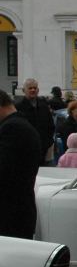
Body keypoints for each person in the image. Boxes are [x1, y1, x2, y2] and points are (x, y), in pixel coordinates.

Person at [0, 90, 41, 238]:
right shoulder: (20, 125)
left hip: (10, 214)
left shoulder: (13, 128)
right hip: (17, 212)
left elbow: (5, 171)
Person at [15, 78, 55, 165]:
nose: (33, 90)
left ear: (38, 90)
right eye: (30, 88)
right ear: (23, 90)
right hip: (25, 151)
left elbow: (50, 126)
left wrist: (47, 142)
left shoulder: (44, 106)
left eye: (35, 88)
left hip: (42, 149)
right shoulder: (18, 107)